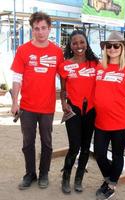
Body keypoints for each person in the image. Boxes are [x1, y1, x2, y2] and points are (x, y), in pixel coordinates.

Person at [11, 11, 64, 190]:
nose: (40, 32)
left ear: (49, 29)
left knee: (47, 143)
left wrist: (67, 100)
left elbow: (65, 78)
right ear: (32, 29)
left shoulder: (57, 52)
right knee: (28, 143)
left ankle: (43, 174)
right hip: (27, 107)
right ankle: (30, 174)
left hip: (48, 107)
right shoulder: (23, 50)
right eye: (36, 29)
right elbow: (17, 77)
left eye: (43, 28)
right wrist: (14, 102)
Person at [94, 31, 125, 200]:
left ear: (122, 49)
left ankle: (111, 185)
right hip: (100, 122)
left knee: (117, 155)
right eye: (108, 46)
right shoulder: (99, 67)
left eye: (116, 46)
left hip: (120, 122)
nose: (112, 49)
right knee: (99, 153)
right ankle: (109, 178)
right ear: (105, 49)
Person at [58, 30, 99, 194]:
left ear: (87, 43)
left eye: (81, 42)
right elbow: (63, 89)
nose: (78, 46)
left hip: (91, 110)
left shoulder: (95, 64)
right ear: (70, 45)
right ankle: (66, 177)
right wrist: (63, 103)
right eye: (74, 43)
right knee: (75, 146)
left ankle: (79, 179)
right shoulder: (65, 65)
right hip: (73, 110)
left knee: (86, 147)